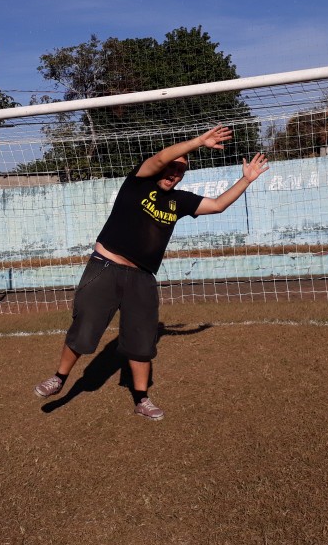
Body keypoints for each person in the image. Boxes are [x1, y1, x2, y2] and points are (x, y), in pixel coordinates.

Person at [33, 124, 269, 420]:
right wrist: (197, 142)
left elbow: (219, 205)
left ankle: (142, 399)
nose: (174, 174)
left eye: (180, 172)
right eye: (172, 168)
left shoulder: (179, 201)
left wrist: (245, 180)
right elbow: (159, 159)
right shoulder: (138, 181)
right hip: (105, 267)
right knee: (85, 328)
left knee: (141, 340)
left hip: (142, 277)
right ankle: (59, 378)